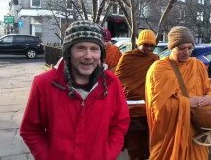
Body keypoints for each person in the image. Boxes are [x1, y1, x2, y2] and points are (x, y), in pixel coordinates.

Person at [20, 20, 130, 160]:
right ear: (68, 52)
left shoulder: (111, 83)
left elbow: (120, 123)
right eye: (81, 48)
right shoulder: (44, 84)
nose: (88, 56)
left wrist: (107, 154)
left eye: (94, 49)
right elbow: (30, 130)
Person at [145, 26, 211, 159]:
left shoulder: (197, 65)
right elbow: (158, 107)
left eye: (190, 48)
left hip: (196, 134)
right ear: (171, 48)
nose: (186, 52)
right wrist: (189, 102)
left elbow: (210, 88)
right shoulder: (159, 69)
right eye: (181, 48)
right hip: (171, 136)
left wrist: (210, 97)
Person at [115, 29, 159, 160]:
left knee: (148, 144)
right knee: (134, 145)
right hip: (131, 108)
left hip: (149, 108)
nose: (149, 49)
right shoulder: (127, 57)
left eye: (152, 46)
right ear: (139, 43)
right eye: (146, 45)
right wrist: (131, 91)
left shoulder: (155, 59)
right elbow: (119, 79)